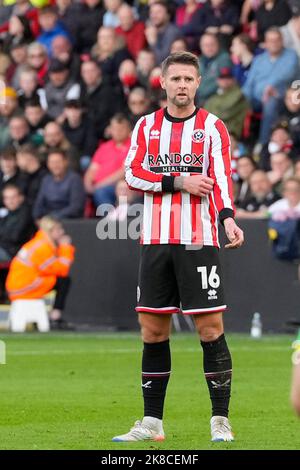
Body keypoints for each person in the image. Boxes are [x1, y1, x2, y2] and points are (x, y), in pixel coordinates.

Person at [112, 51, 244, 443]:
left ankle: (220, 420)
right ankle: (152, 423)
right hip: (154, 239)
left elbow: (220, 179)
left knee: (209, 328)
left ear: (198, 83)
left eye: (189, 79)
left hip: (198, 239)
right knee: (152, 330)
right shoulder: (146, 126)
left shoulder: (213, 127)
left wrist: (228, 218)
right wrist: (177, 181)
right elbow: (132, 172)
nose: (182, 85)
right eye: (176, 79)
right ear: (163, 83)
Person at [5, 215, 75, 329]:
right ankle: (55, 316)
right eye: (59, 229)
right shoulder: (42, 247)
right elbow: (62, 270)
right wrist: (66, 248)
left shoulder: (39, 243)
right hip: (22, 287)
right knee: (64, 281)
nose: (62, 232)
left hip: (18, 285)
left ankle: (41, 317)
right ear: (50, 230)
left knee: (58, 280)